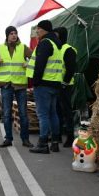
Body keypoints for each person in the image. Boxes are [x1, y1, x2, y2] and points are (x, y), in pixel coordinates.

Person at [0, 26, 32, 147]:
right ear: (7, 35)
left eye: (15, 33)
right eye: (11, 33)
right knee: (6, 114)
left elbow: (35, 58)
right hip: (6, 85)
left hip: (20, 85)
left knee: (23, 114)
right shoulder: (0, 48)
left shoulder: (23, 47)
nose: (14, 35)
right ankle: (8, 139)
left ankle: (25, 139)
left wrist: (28, 63)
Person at [26, 20, 63, 154]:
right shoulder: (56, 44)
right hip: (55, 84)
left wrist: (35, 82)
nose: (37, 32)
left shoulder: (45, 43)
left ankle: (42, 143)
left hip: (43, 85)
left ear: (43, 30)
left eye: (38, 29)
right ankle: (54, 142)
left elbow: (40, 65)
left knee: (43, 115)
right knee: (53, 114)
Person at [54, 27, 77, 147]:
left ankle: (70, 137)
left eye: (56, 35)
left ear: (61, 35)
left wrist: (64, 83)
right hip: (56, 85)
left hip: (65, 86)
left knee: (66, 111)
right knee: (57, 111)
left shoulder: (68, 50)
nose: (54, 37)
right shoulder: (56, 49)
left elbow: (71, 69)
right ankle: (57, 136)